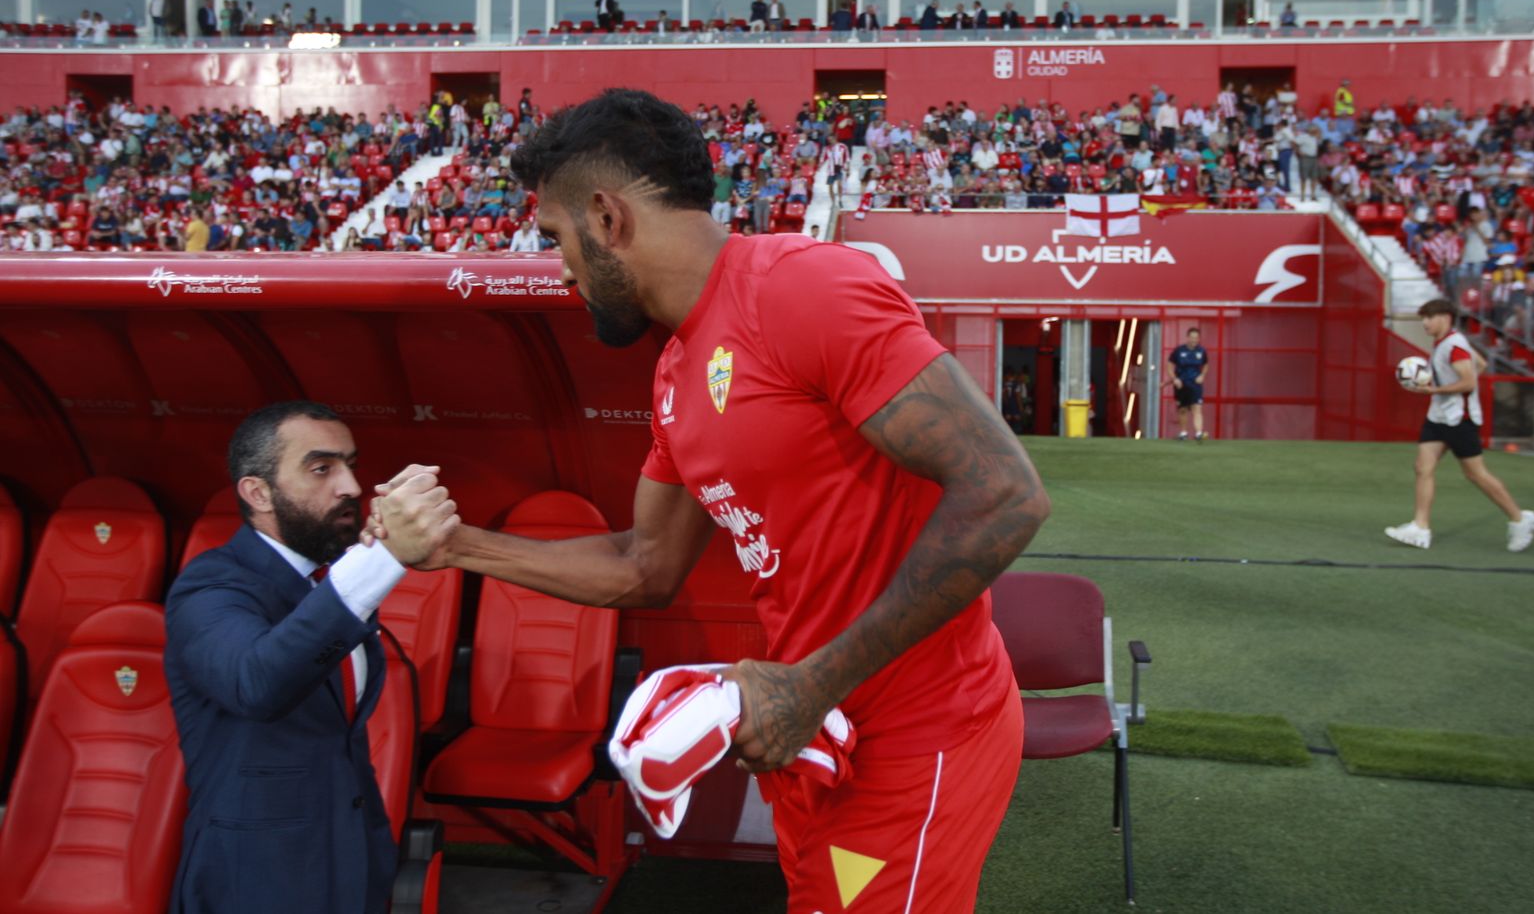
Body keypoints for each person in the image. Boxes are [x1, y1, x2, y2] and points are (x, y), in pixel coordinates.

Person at [369, 88, 1047, 914]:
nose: (561, 270)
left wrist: (813, 683)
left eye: (556, 240)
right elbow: (643, 564)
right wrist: (457, 548)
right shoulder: (675, 373)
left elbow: (1004, 494)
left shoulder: (804, 287)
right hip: (809, 733)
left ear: (606, 216)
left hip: (916, 731)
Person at [165, 402, 457, 914]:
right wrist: (383, 556)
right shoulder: (209, 585)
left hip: (352, 860)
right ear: (257, 493)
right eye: (322, 468)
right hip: (255, 878)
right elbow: (258, 683)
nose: (349, 486)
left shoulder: (328, 581)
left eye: (351, 465)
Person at [1385, 300, 1534, 552]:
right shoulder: (1449, 343)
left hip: (1460, 419)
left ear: (1445, 317)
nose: (1424, 323)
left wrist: (1433, 389)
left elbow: (1468, 382)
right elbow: (1479, 364)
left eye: (1428, 318)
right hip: (1439, 416)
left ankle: (1520, 519)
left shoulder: (1453, 345)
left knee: (1475, 474)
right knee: (1423, 467)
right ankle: (1420, 528)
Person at [1165, 326, 1209, 440]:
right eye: (1192, 337)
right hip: (1181, 384)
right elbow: (1169, 366)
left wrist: (1202, 375)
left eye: (1196, 338)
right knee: (1182, 409)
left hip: (1195, 385)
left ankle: (1199, 433)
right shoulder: (1179, 351)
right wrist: (1175, 379)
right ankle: (1183, 433)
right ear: (1188, 337)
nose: (1194, 340)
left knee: (1197, 408)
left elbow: (1206, 365)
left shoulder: (1202, 351)